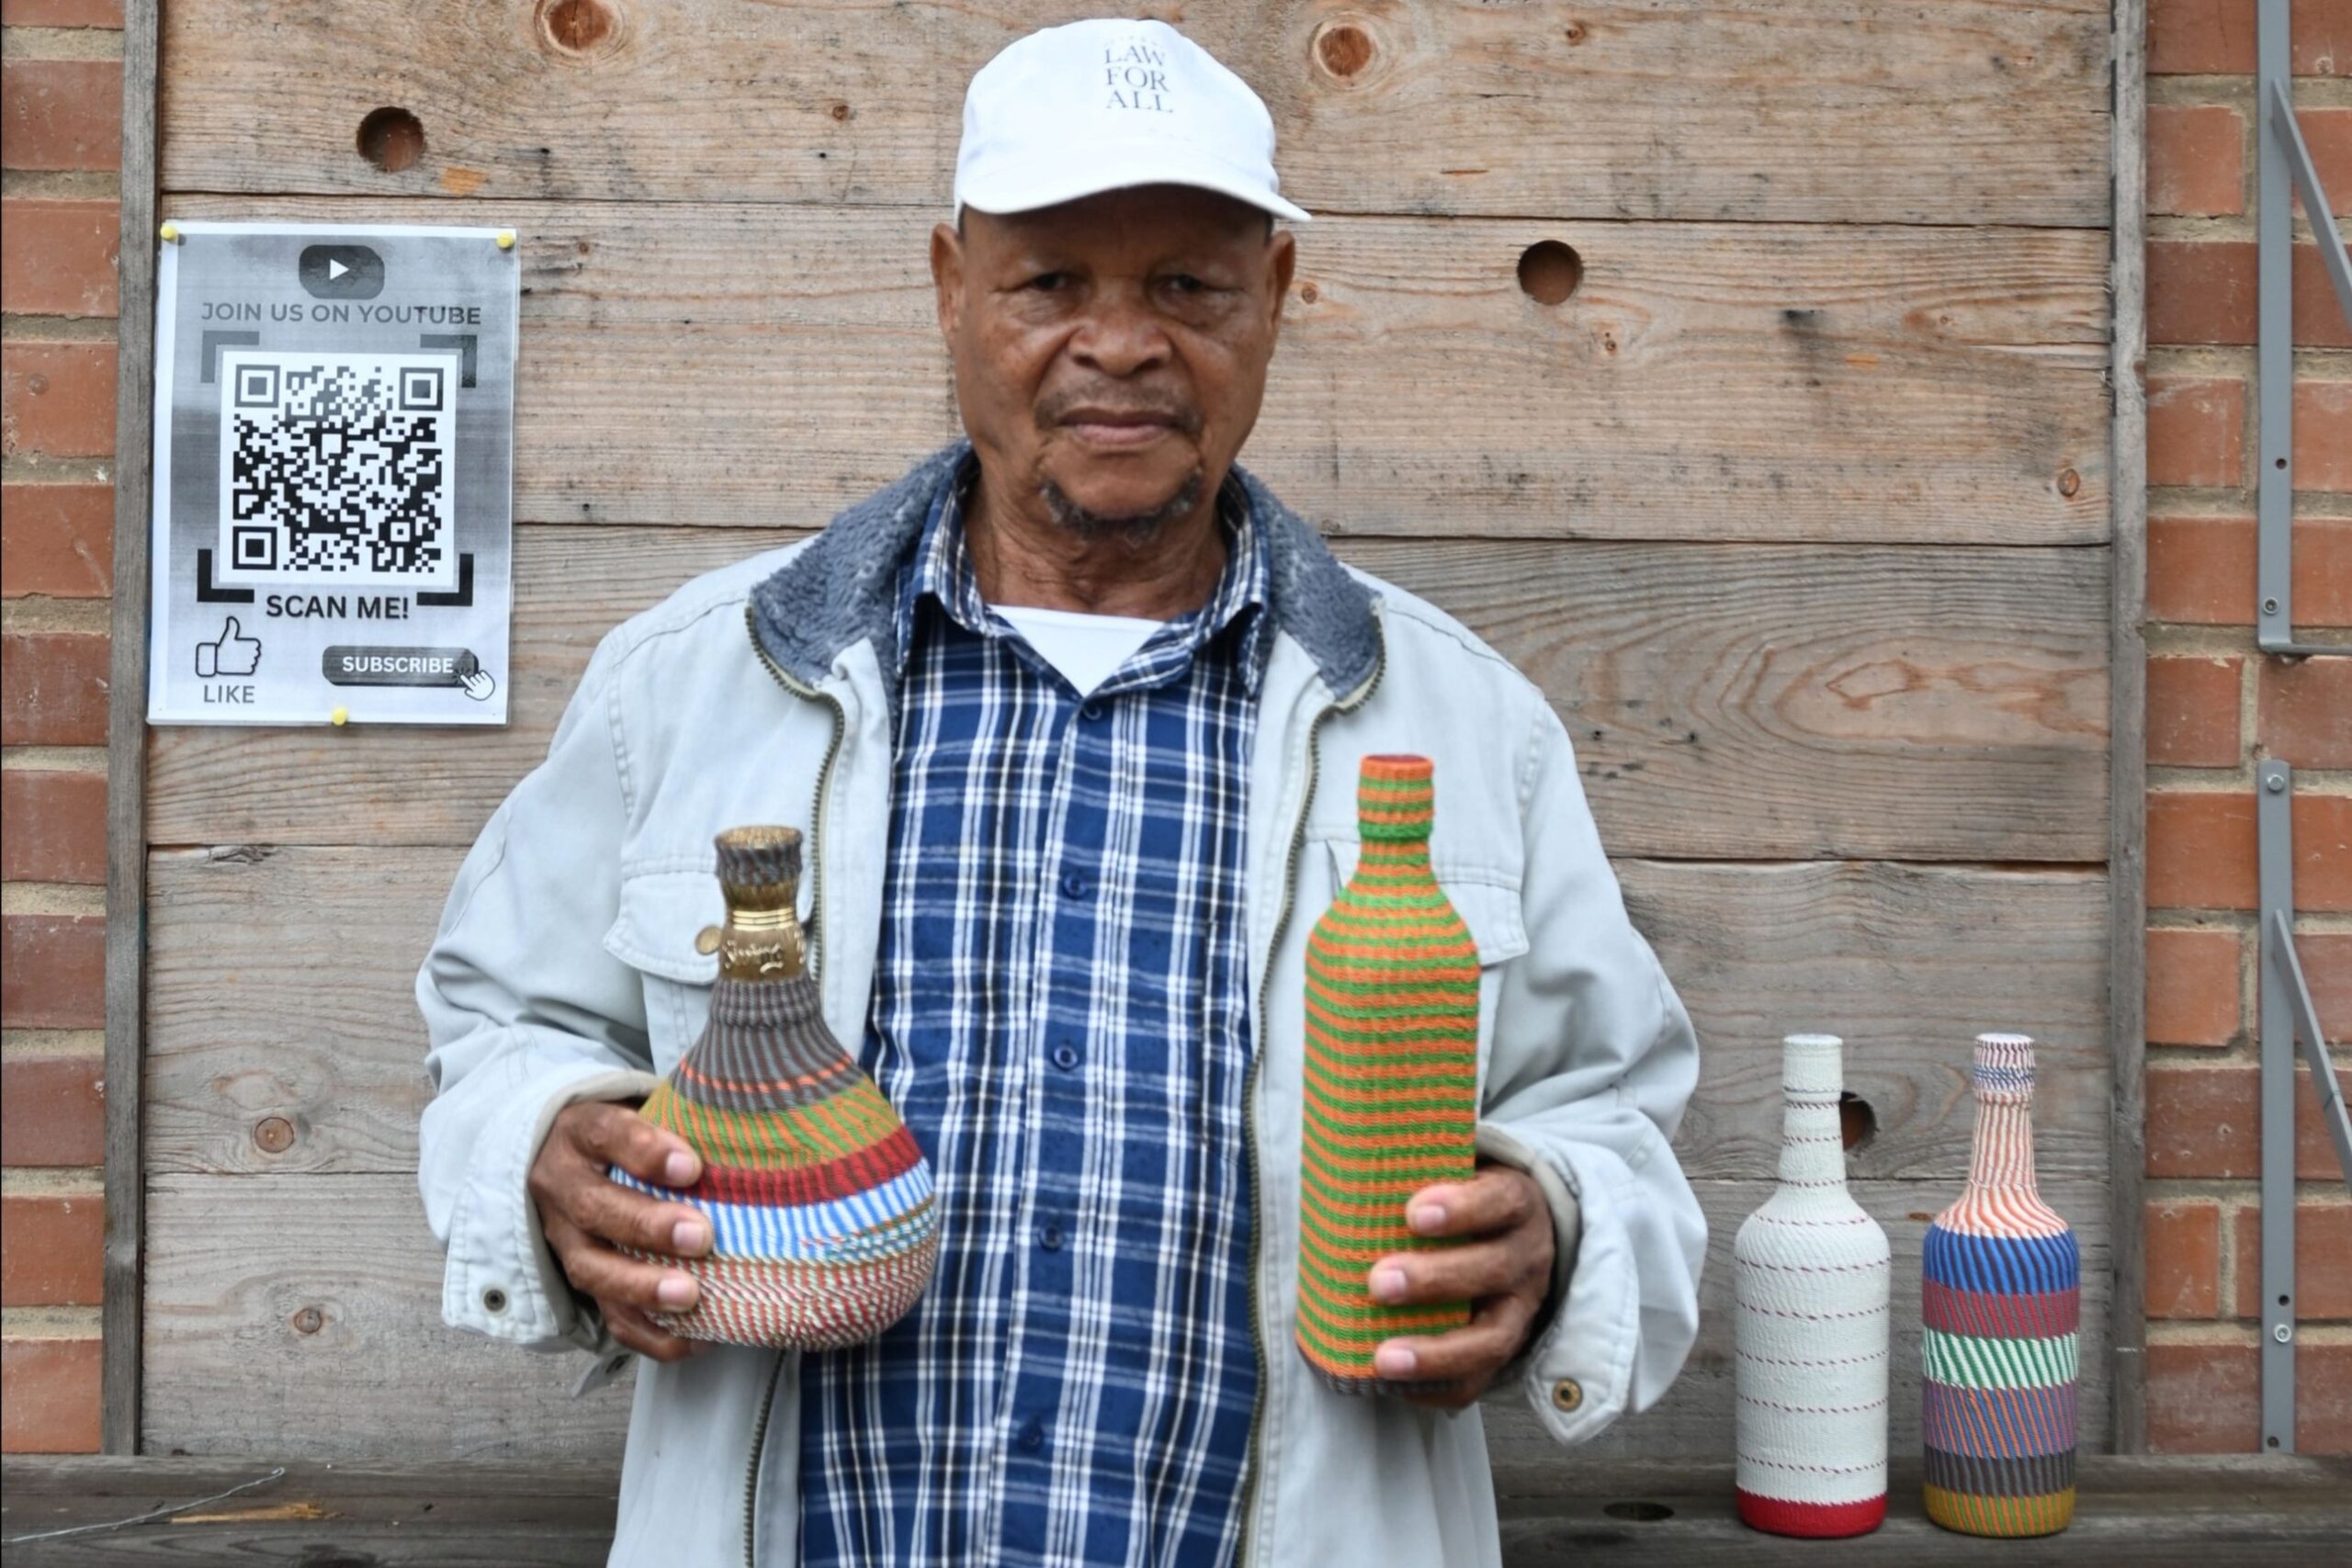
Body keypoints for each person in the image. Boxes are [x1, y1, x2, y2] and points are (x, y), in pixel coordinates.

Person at [416, 17, 1704, 1566]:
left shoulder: (1463, 721)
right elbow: (500, 1032)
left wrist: (1553, 1228)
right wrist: (546, 1148)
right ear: (952, 289)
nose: (1122, 343)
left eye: (1187, 285)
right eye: (1051, 284)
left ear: (1276, 303)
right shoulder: (691, 685)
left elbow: (1614, 1117)